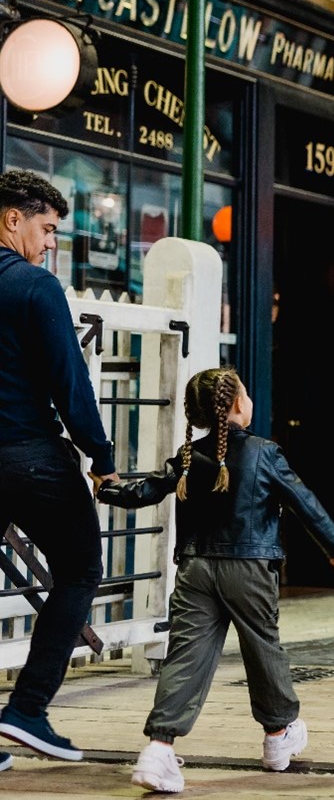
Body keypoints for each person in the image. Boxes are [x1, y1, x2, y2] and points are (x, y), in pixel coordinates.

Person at [96, 366, 334, 792]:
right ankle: (277, 737)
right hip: (249, 569)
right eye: (246, 394)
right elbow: (304, 502)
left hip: (196, 569)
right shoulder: (263, 452)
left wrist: (105, 488)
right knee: (262, 648)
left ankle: (158, 749)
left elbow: (144, 491)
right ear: (237, 404)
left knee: (185, 658)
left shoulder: (184, 457)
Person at [0, 169, 118, 770]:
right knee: (79, 570)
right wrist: (102, 458)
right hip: (29, 456)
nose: (50, 243)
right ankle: (27, 709)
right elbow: (70, 385)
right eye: (46, 228)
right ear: (11, 219)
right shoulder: (34, 287)